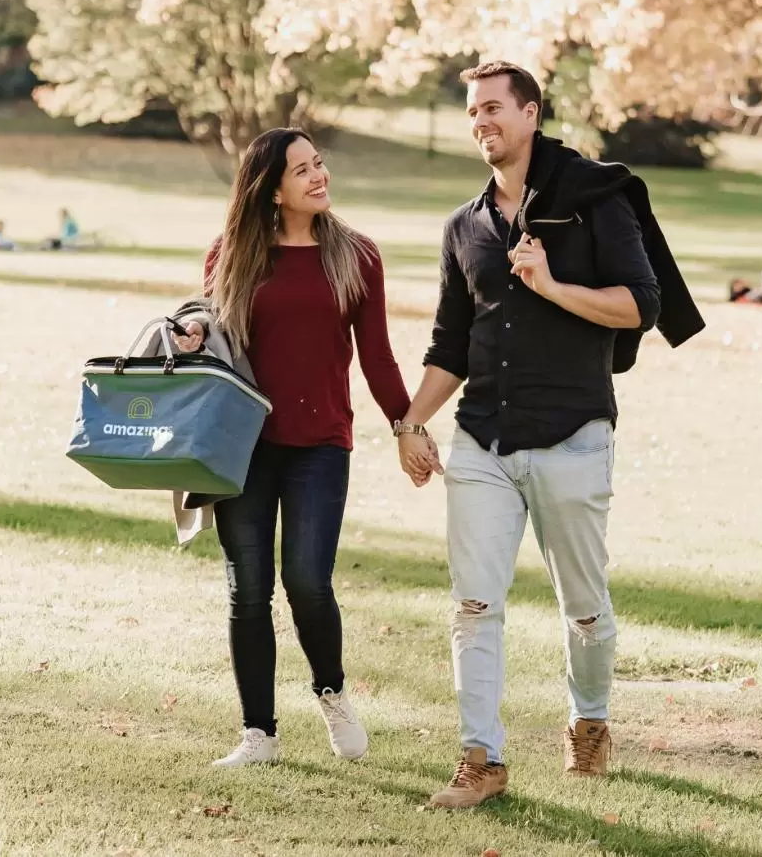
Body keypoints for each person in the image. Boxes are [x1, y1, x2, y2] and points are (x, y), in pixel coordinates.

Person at [395, 61, 703, 810]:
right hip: (483, 441)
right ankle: (481, 760)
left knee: (585, 607)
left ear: (532, 114)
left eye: (494, 108)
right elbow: (450, 346)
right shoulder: (463, 228)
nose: (481, 122)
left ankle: (590, 722)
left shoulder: (594, 202)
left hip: (573, 436)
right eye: (473, 112)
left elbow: (641, 304)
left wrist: (553, 286)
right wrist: (411, 421)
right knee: (473, 605)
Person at [172, 129, 411, 769]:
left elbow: (378, 355)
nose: (318, 176)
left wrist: (405, 424)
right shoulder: (229, 255)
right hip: (241, 448)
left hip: (320, 446)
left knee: (308, 581)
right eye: (301, 169)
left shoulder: (357, 255)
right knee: (247, 588)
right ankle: (259, 734)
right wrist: (195, 333)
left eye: (319, 164)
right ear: (270, 188)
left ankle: (331, 693)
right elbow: (218, 339)